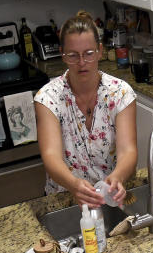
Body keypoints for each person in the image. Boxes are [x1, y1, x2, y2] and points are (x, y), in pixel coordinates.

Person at [34, 11, 137, 207]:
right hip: (66, 200)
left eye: (88, 54)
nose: (81, 62)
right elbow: (51, 156)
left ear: (99, 50)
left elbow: (128, 150)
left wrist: (117, 177)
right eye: (73, 55)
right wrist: (73, 185)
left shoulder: (121, 93)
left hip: (111, 197)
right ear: (62, 54)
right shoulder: (47, 98)